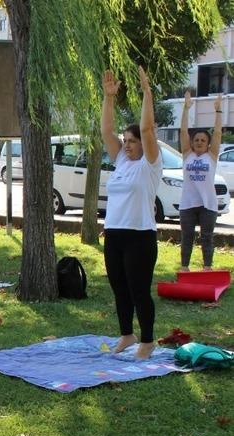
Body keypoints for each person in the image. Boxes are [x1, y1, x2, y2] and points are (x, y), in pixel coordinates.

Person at [101, 68, 163, 360]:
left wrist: (147, 92)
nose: (126, 144)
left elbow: (148, 129)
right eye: (125, 140)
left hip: (140, 236)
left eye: (132, 140)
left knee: (139, 291)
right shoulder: (122, 161)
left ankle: (148, 341)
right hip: (114, 234)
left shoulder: (150, 164)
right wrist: (108, 97)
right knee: (119, 289)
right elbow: (106, 131)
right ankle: (127, 334)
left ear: (143, 144)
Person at [178, 91, 221, 271]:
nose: (199, 142)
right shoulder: (187, 155)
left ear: (208, 143)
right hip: (188, 203)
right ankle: (184, 268)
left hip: (208, 204)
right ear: (192, 142)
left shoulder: (211, 156)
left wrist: (218, 111)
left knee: (207, 237)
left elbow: (217, 132)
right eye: (196, 139)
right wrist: (186, 108)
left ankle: (207, 268)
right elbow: (183, 131)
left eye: (203, 140)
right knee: (186, 237)